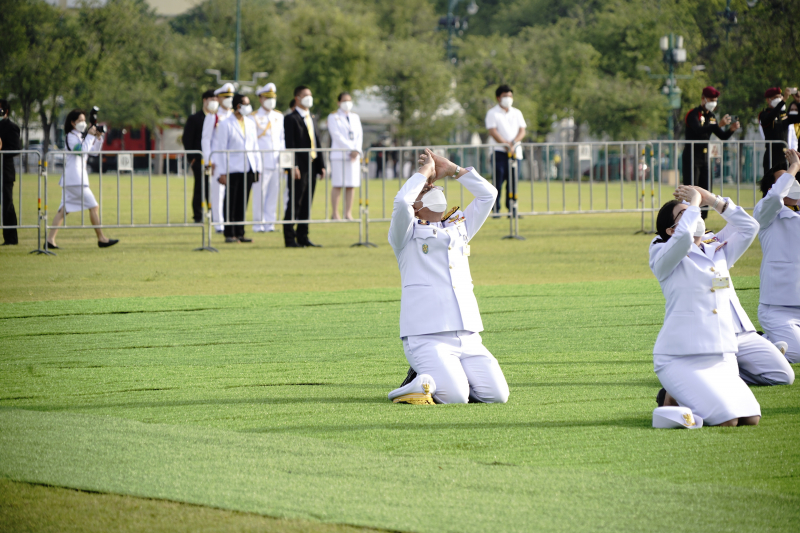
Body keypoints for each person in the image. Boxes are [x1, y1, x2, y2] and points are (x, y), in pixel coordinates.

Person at [649, 185, 793, 427]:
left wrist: (713, 200)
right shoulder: (662, 252)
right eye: (684, 214)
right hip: (681, 356)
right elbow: (683, 239)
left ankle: (674, 397)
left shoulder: (716, 248)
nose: (694, 213)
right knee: (728, 421)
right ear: (671, 229)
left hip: (722, 354)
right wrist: (694, 201)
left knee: (751, 418)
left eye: (694, 209)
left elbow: (750, 227)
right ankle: (674, 400)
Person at [386, 148, 509, 405]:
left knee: (497, 395)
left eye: (433, 185)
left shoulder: (458, 227)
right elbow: (400, 203)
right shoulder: (405, 236)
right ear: (416, 206)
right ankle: (416, 382)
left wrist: (453, 169)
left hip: (468, 334)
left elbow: (489, 195)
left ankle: (441, 380)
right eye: (424, 190)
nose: (432, 187)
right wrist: (424, 172)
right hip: (427, 336)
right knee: (455, 398)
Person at [46, 109, 118, 249]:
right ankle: (101, 239)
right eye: (80, 121)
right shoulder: (71, 137)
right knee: (94, 206)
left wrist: (97, 137)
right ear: (72, 123)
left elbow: (94, 152)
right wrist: (90, 136)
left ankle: (50, 240)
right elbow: (82, 151)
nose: (83, 123)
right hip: (75, 180)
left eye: (84, 121)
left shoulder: (79, 136)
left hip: (74, 179)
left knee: (63, 210)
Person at [753, 150, 800, 363]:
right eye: (785, 179)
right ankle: (757, 342)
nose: (792, 181)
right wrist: (794, 167)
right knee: (794, 354)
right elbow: (774, 198)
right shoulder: (766, 212)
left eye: (794, 178)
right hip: (779, 308)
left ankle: (762, 341)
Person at [682, 86, 740, 219]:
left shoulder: (712, 116)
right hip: (692, 156)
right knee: (692, 188)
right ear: (703, 99)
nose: (713, 102)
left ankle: (703, 219)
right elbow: (698, 130)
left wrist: (731, 129)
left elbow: (722, 136)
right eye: (711, 99)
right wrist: (717, 126)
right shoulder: (693, 114)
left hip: (705, 156)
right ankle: (688, 217)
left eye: (715, 100)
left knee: (706, 189)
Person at [212, 94, 261, 243]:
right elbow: (221, 149)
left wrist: (257, 167)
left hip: (248, 167)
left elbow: (254, 147)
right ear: (238, 106)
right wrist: (222, 172)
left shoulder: (250, 123)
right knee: (231, 201)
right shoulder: (226, 124)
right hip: (232, 168)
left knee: (243, 201)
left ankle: (240, 232)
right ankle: (229, 233)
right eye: (246, 104)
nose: (248, 106)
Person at [283, 86, 325, 248]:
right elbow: (289, 145)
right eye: (306, 95)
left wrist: (321, 165)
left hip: (312, 165)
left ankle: (303, 236)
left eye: (310, 95)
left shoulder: (311, 117)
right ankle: (289, 237)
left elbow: (317, 142)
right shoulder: (291, 118)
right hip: (298, 166)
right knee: (295, 201)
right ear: (297, 98)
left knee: (307, 202)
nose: (309, 98)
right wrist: (292, 166)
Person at [485, 85, 526, 216]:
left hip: (515, 152)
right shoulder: (492, 113)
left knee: (513, 182)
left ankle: (512, 208)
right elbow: (493, 131)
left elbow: (522, 130)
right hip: (499, 152)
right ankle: (495, 209)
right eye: (505, 96)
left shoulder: (517, 112)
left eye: (510, 96)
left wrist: (513, 143)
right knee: (498, 181)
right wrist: (506, 144)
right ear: (498, 98)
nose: (508, 98)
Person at [251, 83, 285, 233]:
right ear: (260, 99)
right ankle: (258, 223)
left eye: (273, 98)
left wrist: (283, 157)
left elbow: (282, 139)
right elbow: (253, 142)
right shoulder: (253, 117)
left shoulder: (278, 116)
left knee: (273, 192)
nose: (271, 101)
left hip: (276, 160)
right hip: (261, 161)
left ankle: (270, 223)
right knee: (260, 193)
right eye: (267, 98)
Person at [202, 82, 235, 233]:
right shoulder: (214, 115)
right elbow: (206, 139)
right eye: (226, 97)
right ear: (219, 98)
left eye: (231, 96)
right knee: (218, 194)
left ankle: (231, 222)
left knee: (233, 193)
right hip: (217, 160)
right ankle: (219, 223)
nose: (229, 99)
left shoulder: (235, 115)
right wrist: (209, 159)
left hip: (233, 161)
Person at [183, 89, 217, 223]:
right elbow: (188, 139)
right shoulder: (195, 118)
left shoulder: (217, 118)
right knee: (200, 187)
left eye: (216, 100)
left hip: (213, 160)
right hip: (199, 159)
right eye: (212, 100)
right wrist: (192, 157)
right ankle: (198, 215)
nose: (214, 102)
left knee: (213, 188)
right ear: (205, 100)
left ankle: (214, 213)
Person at [327, 92, 363, 220]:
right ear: (339, 102)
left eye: (349, 100)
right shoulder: (333, 117)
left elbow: (359, 135)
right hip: (339, 154)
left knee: (351, 185)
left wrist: (356, 150)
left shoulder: (355, 117)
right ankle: (335, 213)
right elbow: (336, 135)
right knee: (338, 184)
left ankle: (348, 213)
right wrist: (350, 149)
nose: (347, 103)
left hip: (353, 157)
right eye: (344, 100)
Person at [759, 87, 800, 176]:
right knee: (769, 184)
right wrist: (783, 100)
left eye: (780, 96)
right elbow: (768, 119)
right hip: (771, 155)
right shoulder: (764, 114)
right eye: (776, 97)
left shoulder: (784, 115)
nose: (780, 98)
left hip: (784, 155)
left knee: (783, 184)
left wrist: (798, 102)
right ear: (768, 100)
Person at [0, 99, 20, 245]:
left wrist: (1, 150)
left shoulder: (11, 127)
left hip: (5, 173)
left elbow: (15, 149)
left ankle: (11, 238)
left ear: (6, 111)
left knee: (7, 205)